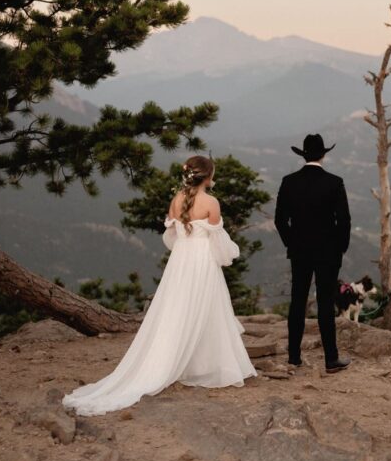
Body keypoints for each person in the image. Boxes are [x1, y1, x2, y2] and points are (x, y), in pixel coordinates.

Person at [62, 155, 257, 416]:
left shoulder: (176, 201)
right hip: (202, 262)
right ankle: (206, 365)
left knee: (175, 310)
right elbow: (219, 243)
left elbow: (172, 236)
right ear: (208, 178)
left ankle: (175, 360)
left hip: (180, 261)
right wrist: (228, 255)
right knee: (207, 309)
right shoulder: (212, 203)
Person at [274, 133, 352, 373]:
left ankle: (294, 357)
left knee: (297, 301)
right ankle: (331, 359)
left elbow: (280, 220)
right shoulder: (335, 182)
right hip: (328, 252)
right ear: (324, 154)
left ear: (303, 154)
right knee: (326, 303)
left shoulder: (289, 181)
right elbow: (344, 220)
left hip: (299, 251)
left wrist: (291, 243)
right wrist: (341, 247)